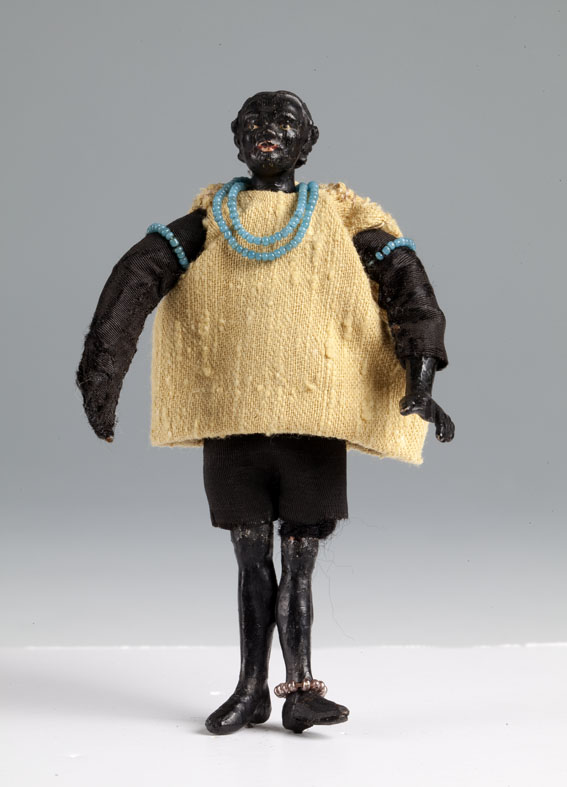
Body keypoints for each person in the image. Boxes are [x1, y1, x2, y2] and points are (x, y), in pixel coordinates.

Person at [76, 89, 454, 735]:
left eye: (283, 122)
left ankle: (299, 689)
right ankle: (251, 689)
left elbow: (408, 286)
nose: (267, 131)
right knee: (251, 560)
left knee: (298, 564)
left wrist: (421, 374)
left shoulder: (339, 215)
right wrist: (101, 371)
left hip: (314, 421)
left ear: (308, 141)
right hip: (234, 419)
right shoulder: (210, 219)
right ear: (236, 138)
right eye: (253, 122)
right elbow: (138, 276)